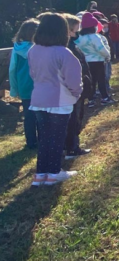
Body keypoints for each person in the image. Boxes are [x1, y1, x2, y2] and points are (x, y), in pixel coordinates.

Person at [28, 13, 82, 186]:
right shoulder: (63, 53)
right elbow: (73, 80)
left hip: (38, 99)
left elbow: (33, 74)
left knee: (44, 138)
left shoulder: (33, 50)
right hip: (59, 101)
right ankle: (53, 173)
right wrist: (76, 94)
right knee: (57, 138)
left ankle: (40, 174)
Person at [63, 14, 92, 159]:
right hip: (73, 91)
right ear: (68, 30)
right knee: (73, 118)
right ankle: (72, 147)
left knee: (76, 117)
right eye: (75, 30)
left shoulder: (70, 45)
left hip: (78, 88)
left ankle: (70, 145)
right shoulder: (67, 47)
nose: (78, 33)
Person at [9, 19, 40, 149]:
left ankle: (31, 142)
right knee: (41, 114)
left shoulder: (17, 48)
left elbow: (12, 69)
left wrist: (14, 89)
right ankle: (43, 138)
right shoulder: (38, 48)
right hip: (38, 85)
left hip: (24, 86)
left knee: (28, 115)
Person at [75, 12, 114, 108]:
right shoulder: (95, 37)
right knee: (101, 80)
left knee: (90, 81)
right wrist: (107, 56)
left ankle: (91, 99)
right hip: (98, 61)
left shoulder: (80, 38)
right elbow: (101, 49)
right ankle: (105, 97)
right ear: (93, 26)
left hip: (86, 62)